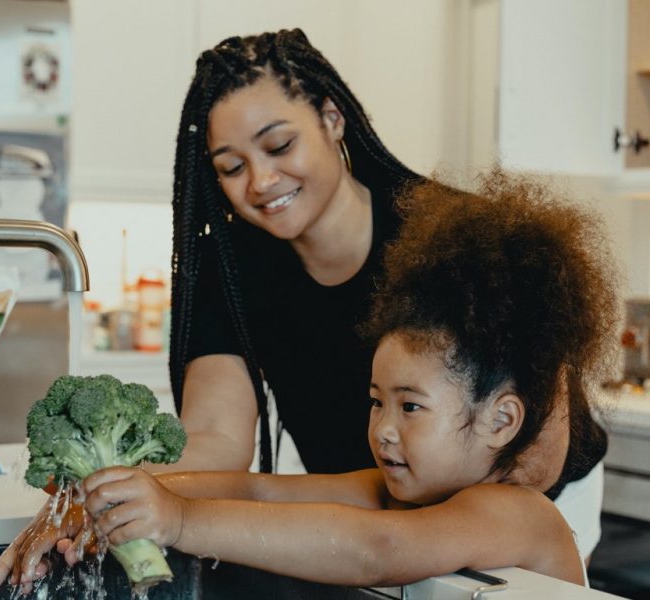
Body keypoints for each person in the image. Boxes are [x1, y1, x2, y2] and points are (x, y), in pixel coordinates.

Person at [0, 28, 608, 593]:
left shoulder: (455, 242)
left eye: (279, 145)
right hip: (393, 492)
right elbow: (232, 455)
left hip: (510, 493)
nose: (260, 181)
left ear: (332, 119)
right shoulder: (233, 269)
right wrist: (113, 495)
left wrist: (177, 516)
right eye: (231, 167)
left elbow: (399, 536)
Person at [78, 172, 617, 587]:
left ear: (500, 420)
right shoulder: (406, 494)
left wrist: (175, 520)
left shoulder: (515, 512)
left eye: (409, 407)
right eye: (376, 402)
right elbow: (262, 490)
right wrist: (129, 495)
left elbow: (376, 550)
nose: (382, 428)